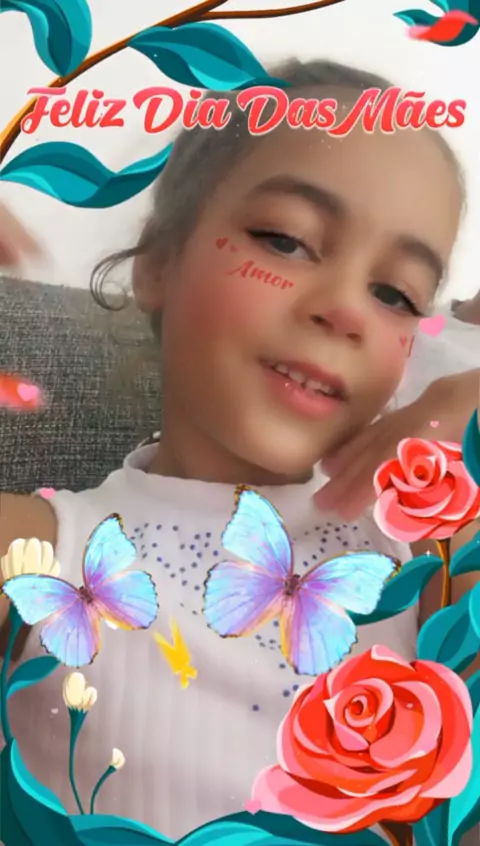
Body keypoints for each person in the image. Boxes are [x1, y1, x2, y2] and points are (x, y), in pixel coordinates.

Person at [0, 60, 477, 839]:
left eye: (394, 294)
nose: (345, 310)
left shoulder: (433, 569)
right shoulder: (39, 554)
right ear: (158, 263)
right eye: (286, 241)